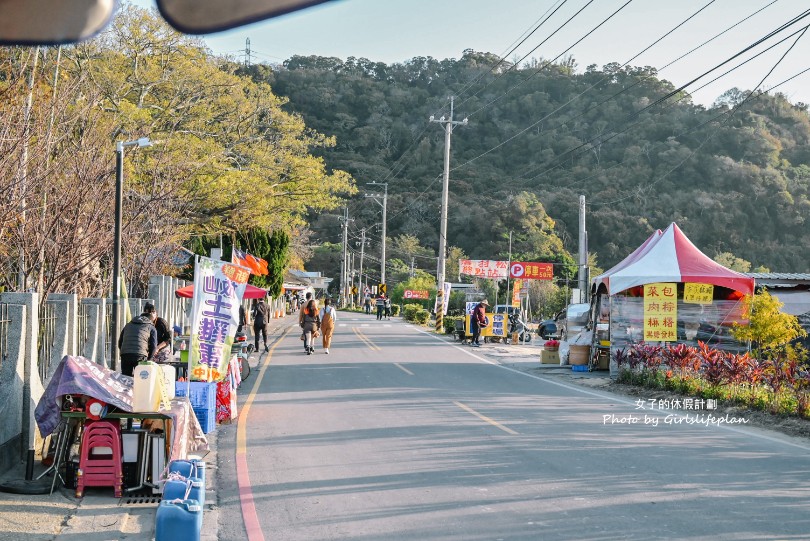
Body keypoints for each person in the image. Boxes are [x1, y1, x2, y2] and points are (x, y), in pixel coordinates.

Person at [118, 303, 158, 376]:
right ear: (151, 319)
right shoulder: (151, 327)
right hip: (140, 355)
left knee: (125, 378)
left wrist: (124, 352)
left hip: (125, 354)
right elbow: (154, 346)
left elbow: (120, 341)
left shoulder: (128, 324)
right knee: (141, 378)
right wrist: (149, 359)